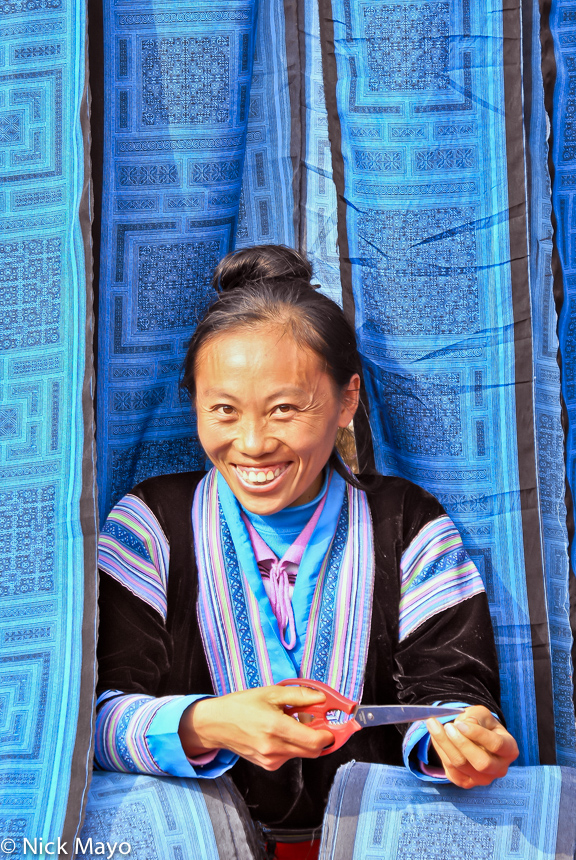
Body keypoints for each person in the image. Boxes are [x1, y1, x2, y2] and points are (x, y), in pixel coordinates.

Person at [95, 245, 519, 860]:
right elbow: (91, 723)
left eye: (286, 409)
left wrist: (460, 737)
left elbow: (450, 691)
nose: (252, 443)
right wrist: (207, 722)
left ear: (347, 401)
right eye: (223, 410)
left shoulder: (409, 523)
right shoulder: (148, 526)